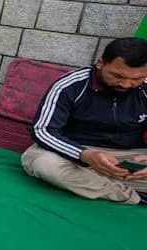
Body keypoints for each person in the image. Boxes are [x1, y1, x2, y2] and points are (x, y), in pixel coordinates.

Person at [22, 37, 147, 206]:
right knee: (44, 164)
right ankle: (132, 196)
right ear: (100, 63)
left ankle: (95, 181)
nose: (126, 84)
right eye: (117, 75)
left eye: (136, 79)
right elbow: (42, 130)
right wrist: (84, 155)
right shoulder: (70, 85)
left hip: (129, 158)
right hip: (75, 153)